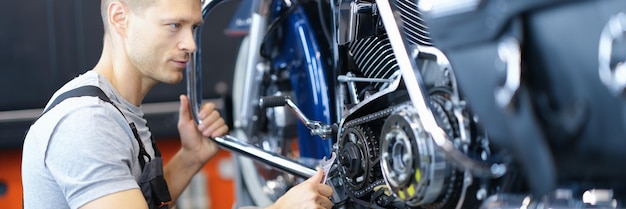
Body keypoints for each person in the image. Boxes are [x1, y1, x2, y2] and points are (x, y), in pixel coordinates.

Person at [20, 0, 334, 208]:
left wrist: (189, 158)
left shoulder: (120, 111)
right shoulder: (86, 123)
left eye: (194, 28)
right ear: (120, 17)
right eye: (174, 26)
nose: (191, 44)